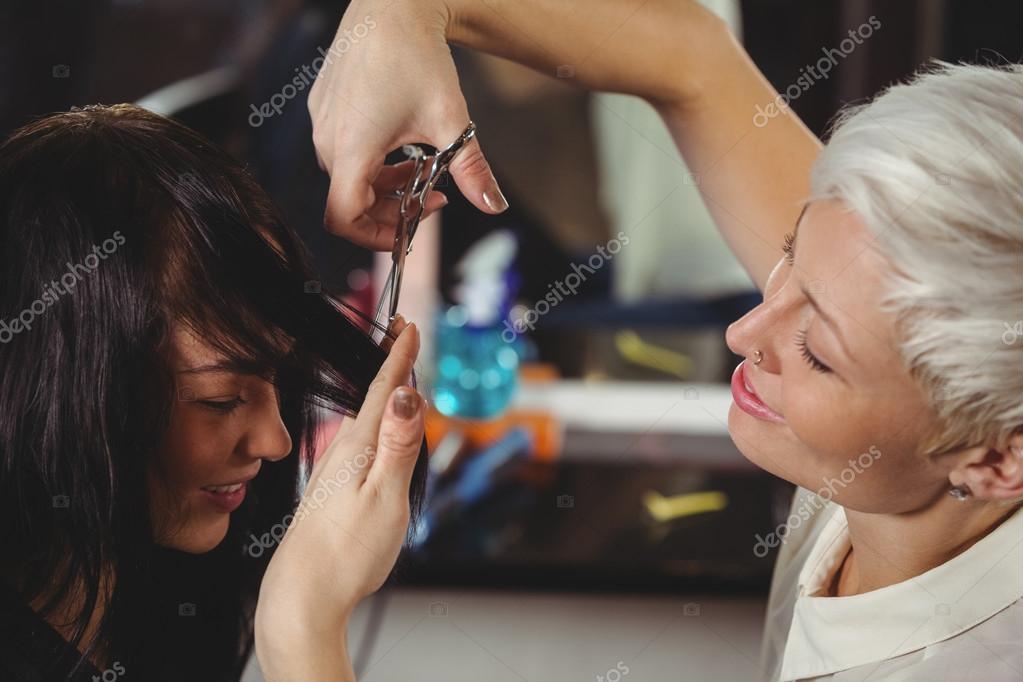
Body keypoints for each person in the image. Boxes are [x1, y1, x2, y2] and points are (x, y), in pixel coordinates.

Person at [302, 1, 1023, 680]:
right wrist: (400, 13)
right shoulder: (906, 339)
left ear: (994, 459)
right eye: (786, 256)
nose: (746, 333)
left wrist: (301, 631)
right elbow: (689, 56)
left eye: (817, 352)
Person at [0, 103, 433, 681]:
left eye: (281, 376)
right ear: (70, 383)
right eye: (221, 400)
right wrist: (302, 629)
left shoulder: (164, 609)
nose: (277, 442)